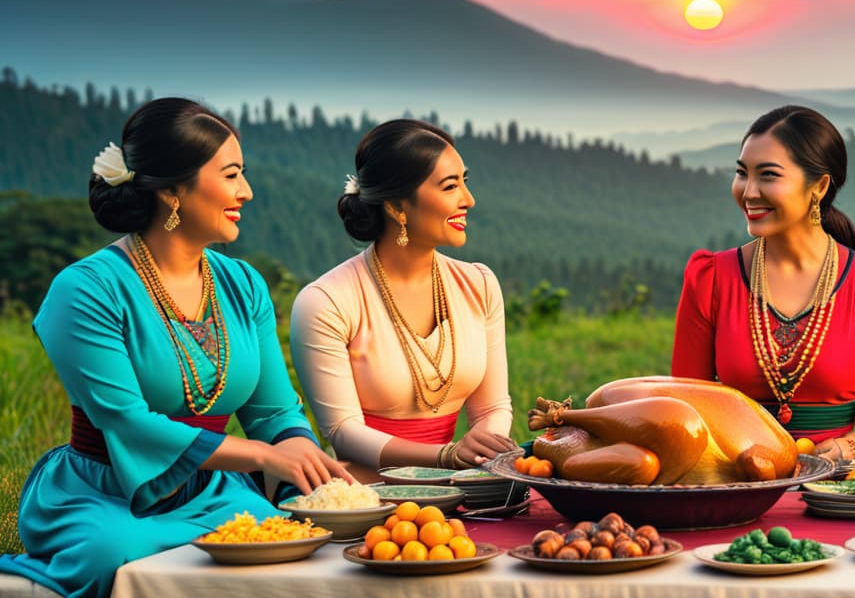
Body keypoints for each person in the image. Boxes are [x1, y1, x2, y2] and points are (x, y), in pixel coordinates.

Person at [0, 99, 350, 598]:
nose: (246, 192)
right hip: (108, 493)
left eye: (243, 174)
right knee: (111, 553)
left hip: (215, 492)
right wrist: (261, 458)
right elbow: (125, 420)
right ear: (170, 189)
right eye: (231, 175)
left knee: (288, 538)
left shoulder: (243, 283)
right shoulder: (85, 290)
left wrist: (295, 447)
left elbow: (273, 410)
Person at [671, 105, 855, 463]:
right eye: (742, 173)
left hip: (830, 485)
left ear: (818, 186)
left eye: (768, 176)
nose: (749, 191)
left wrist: (842, 449)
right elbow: (687, 402)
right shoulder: (710, 280)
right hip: (733, 480)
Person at [290, 119, 516, 483]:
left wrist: (483, 450)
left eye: (465, 182)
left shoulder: (479, 284)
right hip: (368, 492)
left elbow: (492, 406)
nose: (468, 200)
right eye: (450, 186)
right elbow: (344, 432)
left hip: (461, 488)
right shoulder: (327, 302)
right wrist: (445, 456)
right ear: (397, 206)